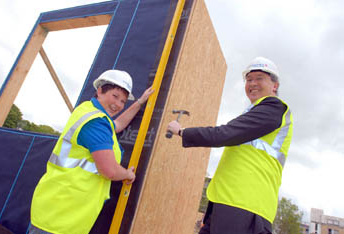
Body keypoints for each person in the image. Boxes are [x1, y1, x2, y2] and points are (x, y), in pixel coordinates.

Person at [167, 57, 293, 234]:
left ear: (275, 85)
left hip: (246, 205)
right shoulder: (255, 112)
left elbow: (224, 134)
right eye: (249, 79)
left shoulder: (274, 108)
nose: (253, 83)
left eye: (259, 78)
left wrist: (182, 131)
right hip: (228, 202)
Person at [29, 70, 154, 234]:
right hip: (61, 217)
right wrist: (127, 175)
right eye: (115, 96)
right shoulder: (95, 123)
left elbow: (116, 125)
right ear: (100, 90)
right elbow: (108, 170)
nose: (118, 104)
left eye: (123, 101)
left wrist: (139, 102)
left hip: (57, 208)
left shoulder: (88, 111)